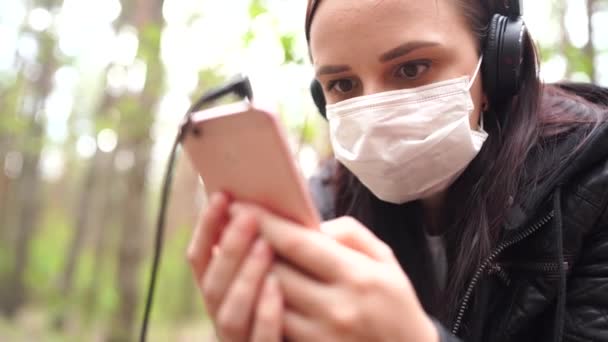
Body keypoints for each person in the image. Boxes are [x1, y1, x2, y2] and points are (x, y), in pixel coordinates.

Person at [186, 0, 608, 341]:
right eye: (344, 85)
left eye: (411, 68)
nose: (375, 111)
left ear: (501, 65)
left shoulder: (595, 181)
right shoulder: (325, 209)